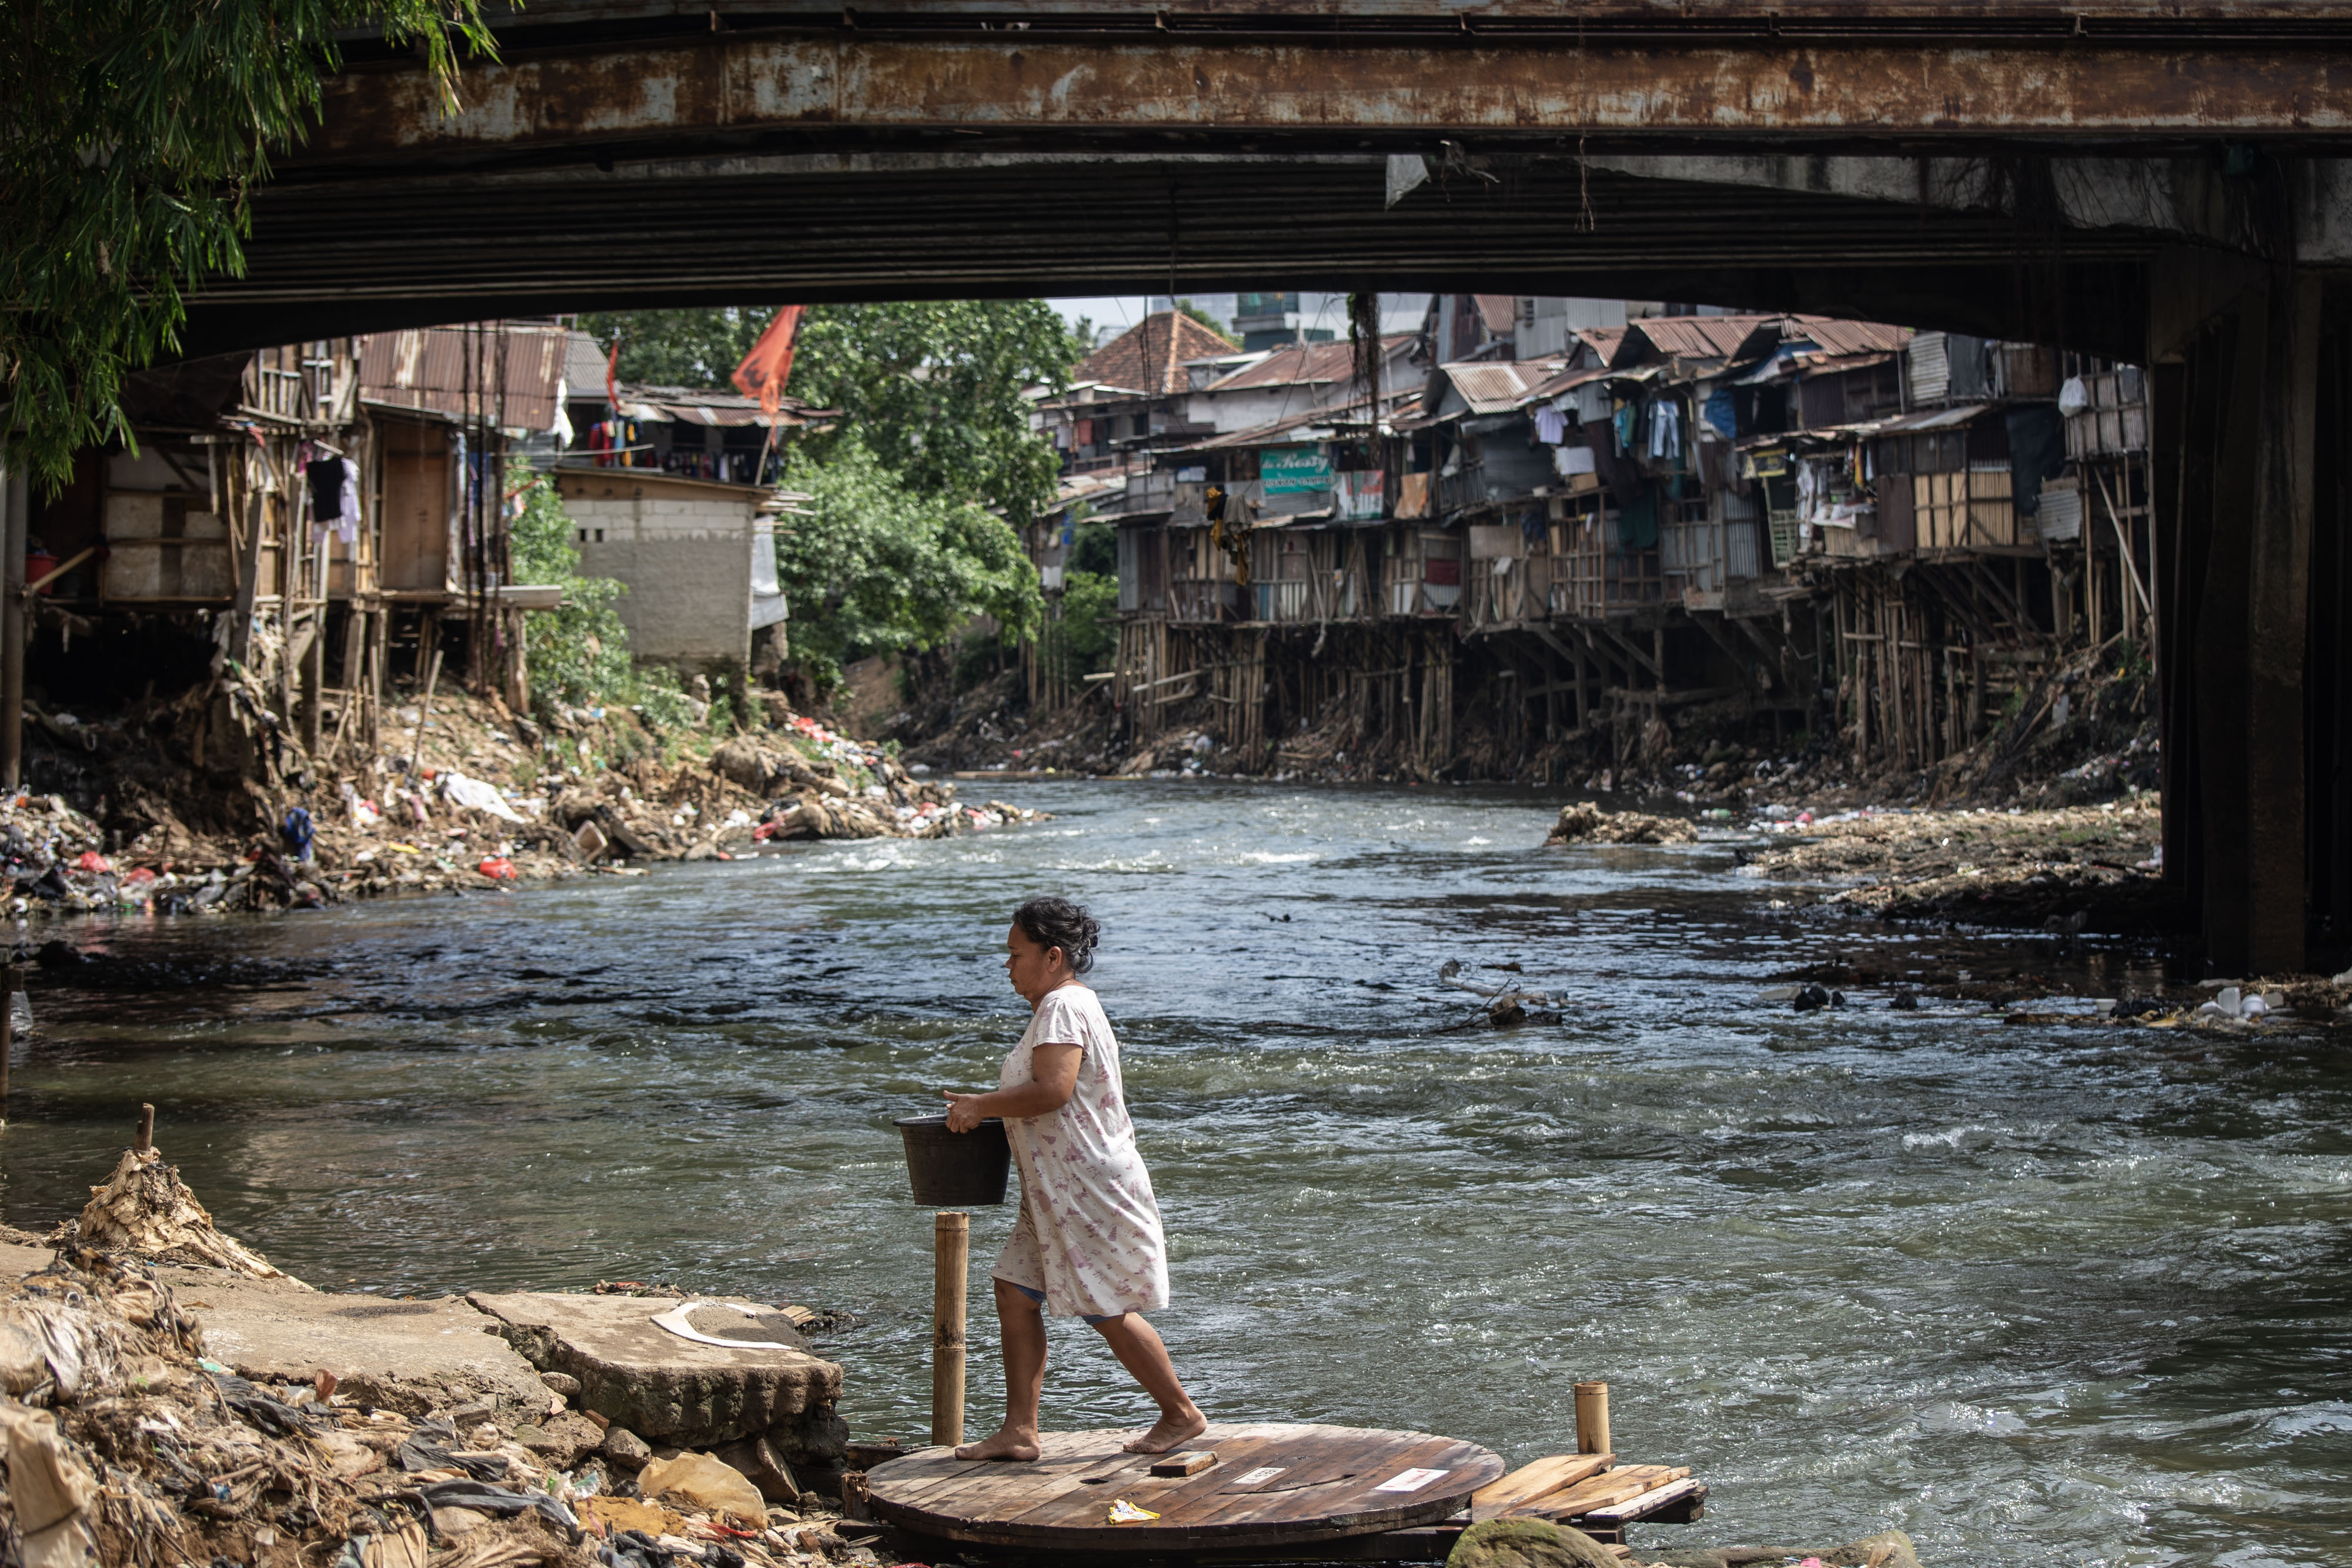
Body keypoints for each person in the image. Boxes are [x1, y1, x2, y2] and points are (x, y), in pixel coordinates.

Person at [943, 895, 1207, 1460]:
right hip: (1055, 1184)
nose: (1008, 966)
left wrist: (981, 1105)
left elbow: (1052, 1090)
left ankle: (1180, 1412)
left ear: (1053, 955)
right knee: (1015, 1291)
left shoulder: (1063, 1007)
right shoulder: (1063, 1006)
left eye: (1016, 954)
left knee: (1103, 1304)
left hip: (1082, 1183)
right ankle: (1020, 1431)